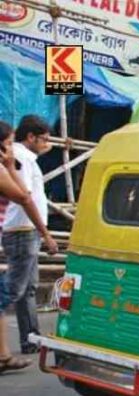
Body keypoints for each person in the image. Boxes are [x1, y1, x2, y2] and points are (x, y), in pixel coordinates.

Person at [0, 120, 57, 373]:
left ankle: (25, 341)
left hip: (22, 230)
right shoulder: (16, 161)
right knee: (9, 292)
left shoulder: (19, 160)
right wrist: (46, 234)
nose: (11, 148)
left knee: (24, 289)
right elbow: (24, 196)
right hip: (22, 231)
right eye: (8, 143)